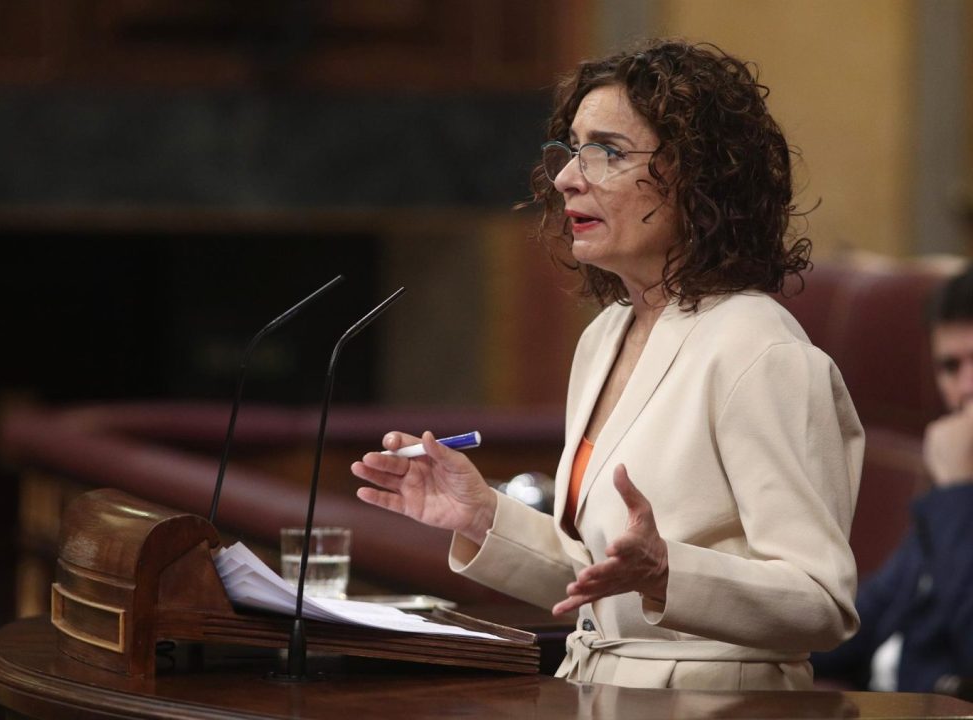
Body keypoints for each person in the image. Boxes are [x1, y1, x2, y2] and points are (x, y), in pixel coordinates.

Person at [351, 39, 864, 691]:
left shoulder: (761, 353)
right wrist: (481, 515)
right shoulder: (606, 335)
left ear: (698, 176)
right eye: (572, 149)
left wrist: (669, 573)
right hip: (600, 691)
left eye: (609, 152)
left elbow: (821, 601)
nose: (568, 177)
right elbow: (600, 585)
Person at [812, 267, 973, 695]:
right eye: (950, 366)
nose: (966, 388)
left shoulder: (956, 482)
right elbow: (867, 616)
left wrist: (957, 490)